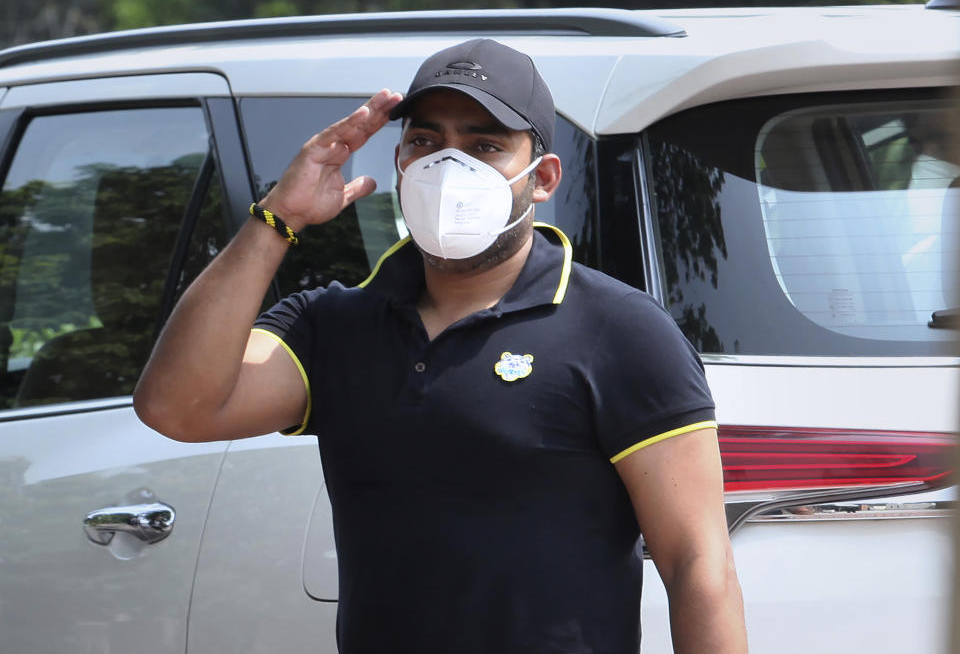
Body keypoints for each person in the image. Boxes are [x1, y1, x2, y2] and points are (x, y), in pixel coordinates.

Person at [134, 38, 747, 653]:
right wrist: (277, 218)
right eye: (426, 142)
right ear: (399, 158)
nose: (450, 168)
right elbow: (177, 407)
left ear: (543, 178)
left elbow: (700, 567)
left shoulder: (620, 331)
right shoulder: (333, 324)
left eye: (485, 146)